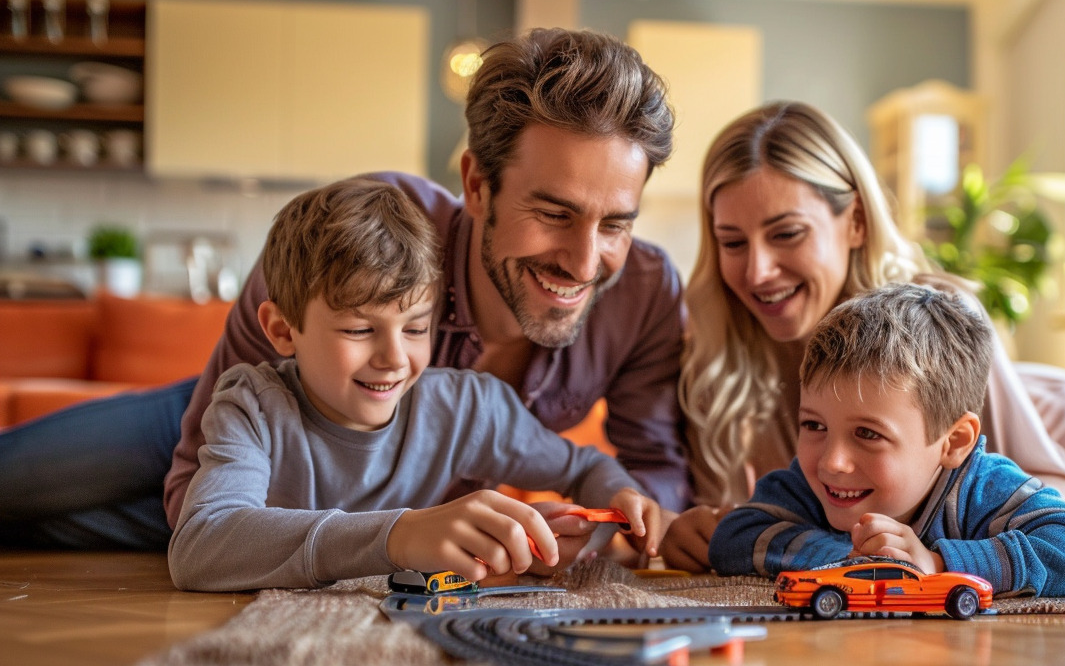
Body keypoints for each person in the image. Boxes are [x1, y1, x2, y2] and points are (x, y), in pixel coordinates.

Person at [0, 27, 690, 551]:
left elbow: (652, 474)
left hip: (327, 507)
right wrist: (397, 535)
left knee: (45, 531)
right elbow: (196, 503)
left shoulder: (645, 292)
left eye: (616, 224)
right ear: (478, 185)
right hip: (241, 434)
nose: (584, 259)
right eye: (555, 214)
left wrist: (606, 532)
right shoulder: (356, 237)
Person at [663, 100, 1065, 571]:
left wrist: (937, 558)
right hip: (939, 454)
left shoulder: (940, 312)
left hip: (1064, 445)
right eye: (732, 243)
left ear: (855, 221)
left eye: (786, 233)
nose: (758, 271)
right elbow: (759, 512)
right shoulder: (720, 351)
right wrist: (699, 528)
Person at [169, 178, 661, 591]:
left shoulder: (466, 408)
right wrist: (398, 537)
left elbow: (587, 468)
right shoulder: (250, 405)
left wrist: (598, 515)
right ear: (281, 330)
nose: (393, 359)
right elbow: (200, 545)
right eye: (360, 330)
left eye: (416, 328)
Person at [708, 283, 1065, 598]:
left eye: (868, 434)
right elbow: (735, 536)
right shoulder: (808, 482)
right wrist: (847, 559)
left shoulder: (985, 487)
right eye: (814, 426)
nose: (832, 462)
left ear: (953, 443)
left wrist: (937, 564)